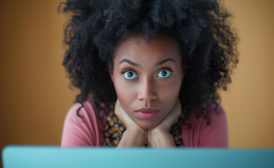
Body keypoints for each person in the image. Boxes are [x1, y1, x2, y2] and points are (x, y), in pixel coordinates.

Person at [60, 0, 238, 148]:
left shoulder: (206, 119)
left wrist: (166, 149)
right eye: (130, 73)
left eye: (164, 73)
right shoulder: (85, 120)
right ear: (111, 72)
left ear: (184, 69)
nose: (146, 95)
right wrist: (130, 140)